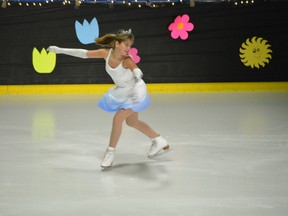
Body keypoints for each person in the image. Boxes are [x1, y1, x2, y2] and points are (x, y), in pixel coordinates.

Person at [47, 29, 169, 169]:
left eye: (130, 46)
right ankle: (159, 140)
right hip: (124, 91)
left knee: (118, 118)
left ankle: (110, 153)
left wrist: (137, 74)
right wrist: (59, 50)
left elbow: (136, 69)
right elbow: (83, 53)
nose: (128, 48)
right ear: (117, 44)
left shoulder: (127, 60)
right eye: (126, 45)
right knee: (132, 122)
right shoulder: (106, 53)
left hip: (135, 91)